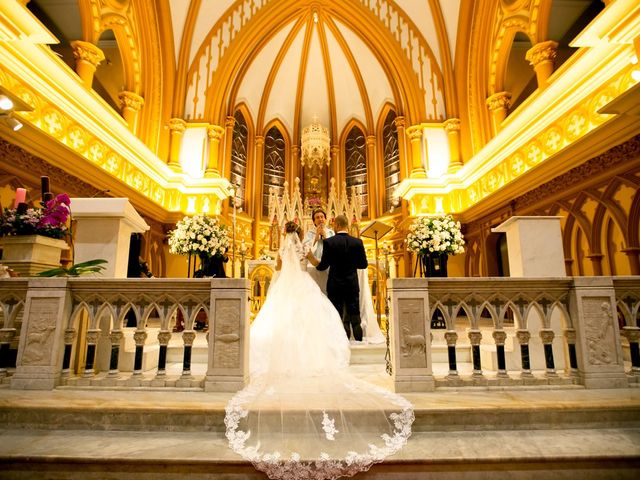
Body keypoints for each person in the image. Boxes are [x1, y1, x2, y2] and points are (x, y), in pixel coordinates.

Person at [225, 221, 414, 480]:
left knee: (280, 318)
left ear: (283, 234)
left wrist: (286, 259)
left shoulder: (282, 250)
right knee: (317, 317)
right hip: (305, 285)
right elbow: (315, 263)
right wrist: (311, 249)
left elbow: (279, 269)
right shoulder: (305, 247)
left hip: (285, 289)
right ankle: (348, 338)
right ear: (300, 234)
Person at [311, 214, 368, 341]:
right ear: (347, 225)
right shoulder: (357, 242)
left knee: (336, 313)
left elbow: (323, 266)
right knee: (354, 312)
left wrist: (313, 260)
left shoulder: (329, 242)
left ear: (336, 225)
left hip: (335, 284)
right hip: (351, 283)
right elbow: (363, 265)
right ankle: (358, 340)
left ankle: (340, 340)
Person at [303, 208, 334, 293]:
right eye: (317, 217)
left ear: (325, 219)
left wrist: (325, 237)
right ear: (314, 221)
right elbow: (305, 248)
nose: (320, 219)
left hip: (328, 266)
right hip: (313, 265)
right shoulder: (309, 233)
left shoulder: (331, 233)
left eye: (322, 217)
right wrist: (316, 237)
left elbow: (335, 249)